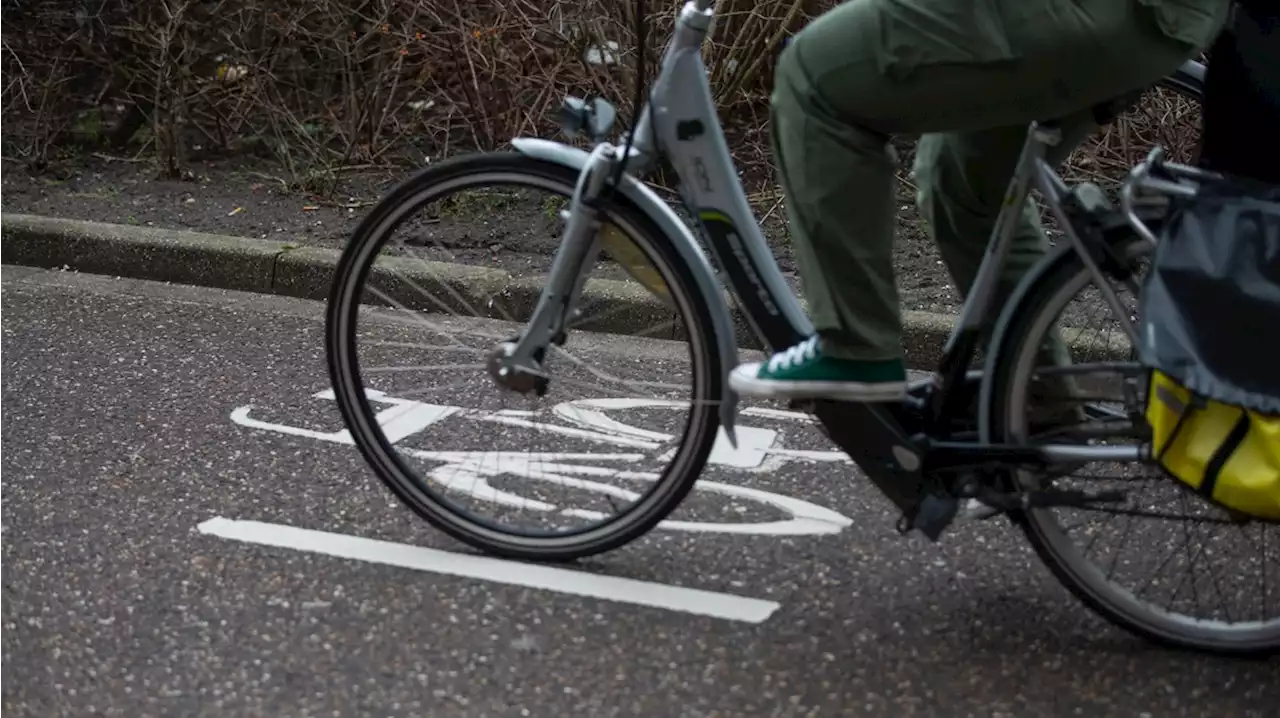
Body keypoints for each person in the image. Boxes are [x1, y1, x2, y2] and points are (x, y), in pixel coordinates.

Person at [729, 0, 1232, 402]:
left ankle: (853, 348)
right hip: (1164, 19)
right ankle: (1037, 397)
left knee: (815, 73)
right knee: (960, 179)